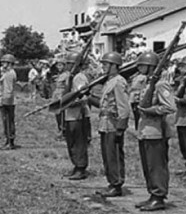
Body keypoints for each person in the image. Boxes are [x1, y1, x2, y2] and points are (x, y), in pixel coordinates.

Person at [134, 51, 176, 211]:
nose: (139, 67)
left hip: (156, 131)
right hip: (145, 130)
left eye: (142, 65)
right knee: (148, 165)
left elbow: (170, 107)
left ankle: (159, 196)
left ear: (151, 66)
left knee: (157, 165)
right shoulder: (146, 83)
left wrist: (151, 110)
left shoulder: (161, 84)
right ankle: (152, 193)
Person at [93, 51, 130, 196]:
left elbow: (124, 107)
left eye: (106, 64)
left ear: (114, 65)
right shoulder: (109, 81)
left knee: (113, 155)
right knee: (107, 155)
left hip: (114, 124)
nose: (103, 66)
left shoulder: (118, 82)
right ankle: (111, 182)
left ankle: (116, 183)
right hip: (105, 124)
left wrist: (121, 127)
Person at [60, 51, 92, 180]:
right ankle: (76, 165)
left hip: (78, 115)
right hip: (70, 114)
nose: (67, 66)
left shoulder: (79, 77)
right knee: (71, 141)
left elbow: (82, 95)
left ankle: (81, 167)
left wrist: (70, 102)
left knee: (78, 142)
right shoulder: (70, 77)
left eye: (70, 64)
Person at [0, 54, 17, 149]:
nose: (2, 64)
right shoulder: (7, 73)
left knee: (8, 122)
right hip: (5, 99)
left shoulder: (9, 74)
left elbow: (9, 90)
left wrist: (4, 102)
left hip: (7, 100)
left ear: (9, 63)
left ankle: (10, 142)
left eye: (4, 62)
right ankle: (7, 140)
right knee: (6, 122)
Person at [51, 59, 69, 140]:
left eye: (61, 65)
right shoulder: (59, 75)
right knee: (57, 114)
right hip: (56, 95)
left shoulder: (67, 75)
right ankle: (59, 130)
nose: (59, 67)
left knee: (62, 115)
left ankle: (64, 132)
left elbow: (67, 87)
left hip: (61, 96)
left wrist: (63, 97)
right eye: (58, 65)